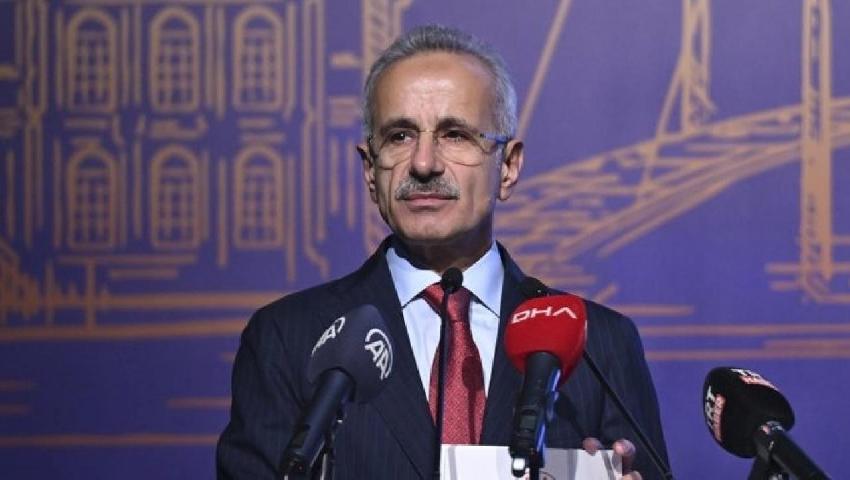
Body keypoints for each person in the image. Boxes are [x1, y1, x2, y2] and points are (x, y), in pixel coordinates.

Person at [217, 24, 668, 479]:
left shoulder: (600, 344)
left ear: (508, 167)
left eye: (455, 135)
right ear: (370, 170)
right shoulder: (287, 338)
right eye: (399, 136)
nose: (424, 163)